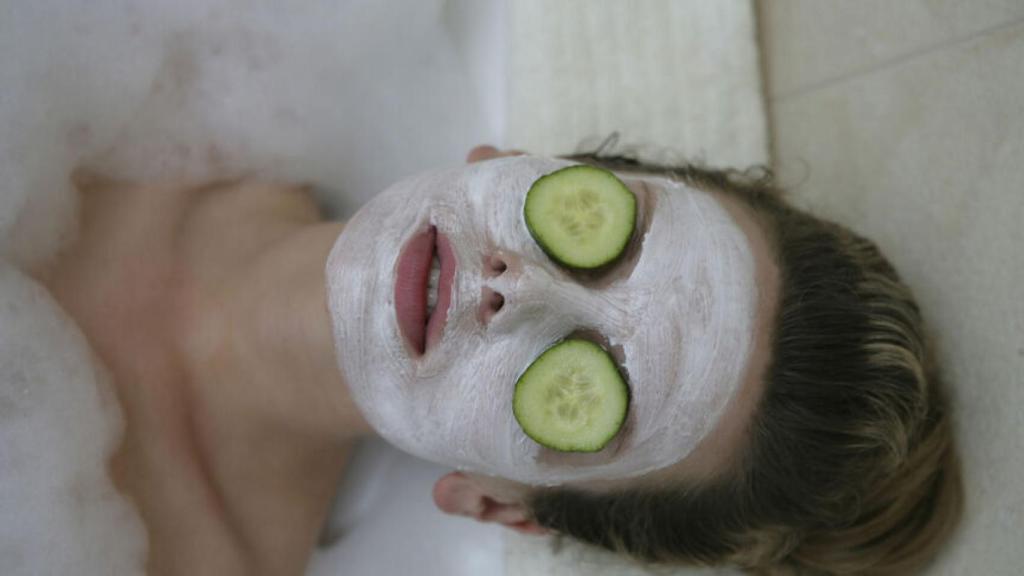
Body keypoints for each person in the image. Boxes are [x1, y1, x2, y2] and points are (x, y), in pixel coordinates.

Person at [31, 145, 961, 576]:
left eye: (601, 386)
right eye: (609, 232)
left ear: (497, 505)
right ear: (510, 159)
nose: (518, 287)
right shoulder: (182, 58)